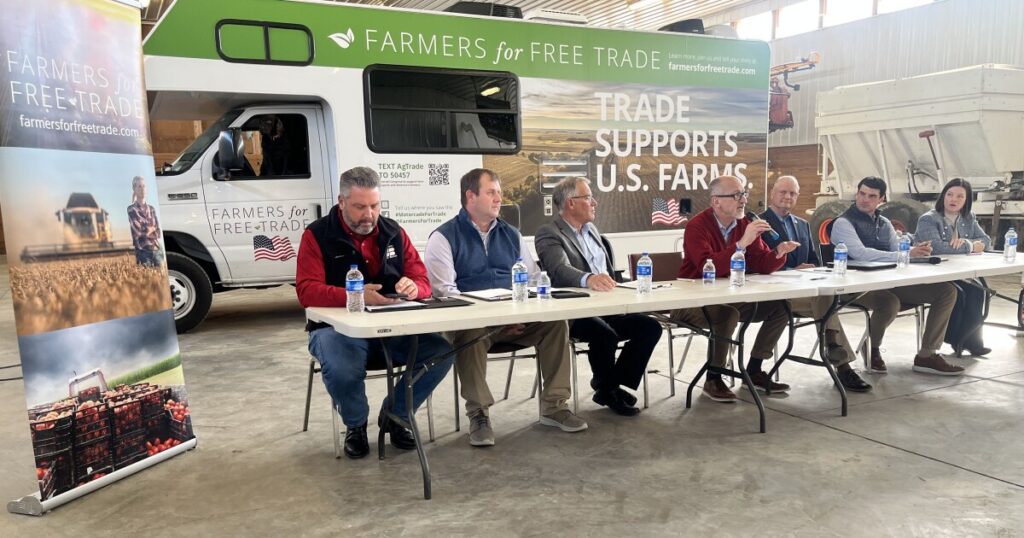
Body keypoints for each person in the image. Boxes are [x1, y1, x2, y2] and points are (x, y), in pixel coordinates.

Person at [296, 166, 453, 459]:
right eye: (359, 207)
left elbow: (423, 281)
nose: (368, 214)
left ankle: (396, 416)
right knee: (343, 366)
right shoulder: (316, 235)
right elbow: (306, 290)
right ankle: (355, 426)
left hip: (392, 328)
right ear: (341, 203)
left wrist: (414, 288)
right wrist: (354, 295)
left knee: (441, 352)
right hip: (336, 330)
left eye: (374, 206)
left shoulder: (394, 232)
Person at [425, 168, 586, 447]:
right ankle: (479, 414)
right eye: (491, 192)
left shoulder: (511, 234)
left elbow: (535, 279)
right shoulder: (443, 237)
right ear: (470, 196)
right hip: (474, 324)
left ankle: (554, 406)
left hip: (515, 319)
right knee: (470, 330)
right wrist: (496, 317)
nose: (499, 198)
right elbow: (445, 294)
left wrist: (519, 313)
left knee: (556, 323)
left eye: (499, 192)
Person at [535, 177, 662, 416]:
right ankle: (609, 388)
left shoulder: (592, 230)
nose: (594, 202)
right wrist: (588, 278)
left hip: (608, 306)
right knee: (604, 334)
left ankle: (608, 385)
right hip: (575, 312)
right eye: (588, 197)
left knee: (650, 327)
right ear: (571, 203)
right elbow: (558, 270)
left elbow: (609, 271)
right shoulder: (549, 233)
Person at [673, 175, 798, 402]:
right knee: (726, 313)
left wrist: (778, 252)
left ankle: (754, 368)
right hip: (692, 302)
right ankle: (714, 377)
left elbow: (760, 263)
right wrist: (741, 244)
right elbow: (706, 267)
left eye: (744, 194)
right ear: (715, 201)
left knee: (781, 306)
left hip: (731, 296)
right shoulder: (696, 226)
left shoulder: (743, 224)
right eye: (736, 195)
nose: (743, 200)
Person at [830, 176, 962, 375]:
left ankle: (927, 355)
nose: (865, 199)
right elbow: (860, 253)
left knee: (946, 291)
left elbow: (899, 253)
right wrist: (905, 253)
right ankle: (872, 348)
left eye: (872, 196)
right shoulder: (843, 222)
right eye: (862, 194)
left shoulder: (884, 223)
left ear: (881, 199)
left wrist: (918, 252)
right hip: (856, 286)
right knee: (890, 303)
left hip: (889, 282)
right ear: (856, 194)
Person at [760, 175, 872, 392]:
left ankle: (836, 350)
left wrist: (809, 268)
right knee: (826, 301)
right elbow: (758, 264)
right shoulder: (759, 224)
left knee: (825, 298)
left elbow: (814, 259)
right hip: (776, 295)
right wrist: (791, 270)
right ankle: (841, 362)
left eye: (792, 193)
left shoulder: (803, 225)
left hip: (806, 291)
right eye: (783, 192)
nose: (787, 196)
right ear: (772, 194)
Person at [915, 177, 992, 356]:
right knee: (960, 291)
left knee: (978, 290)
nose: (953, 199)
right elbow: (936, 247)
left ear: (966, 200)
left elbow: (986, 241)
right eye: (949, 194)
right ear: (943, 196)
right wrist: (971, 245)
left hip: (957, 270)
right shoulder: (928, 219)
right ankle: (954, 338)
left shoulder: (968, 217)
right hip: (934, 272)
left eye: (959, 196)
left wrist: (965, 242)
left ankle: (970, 341)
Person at [127, 175, 164, 267]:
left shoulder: (152, 209)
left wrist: (147, 229)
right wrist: (151, 229)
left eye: (144, 186)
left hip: (157, 250)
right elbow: (138, 232)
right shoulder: (131, 209)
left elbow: (158, 232)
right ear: (134, 189)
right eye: (139, 186)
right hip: (142, 251)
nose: (142, 189)